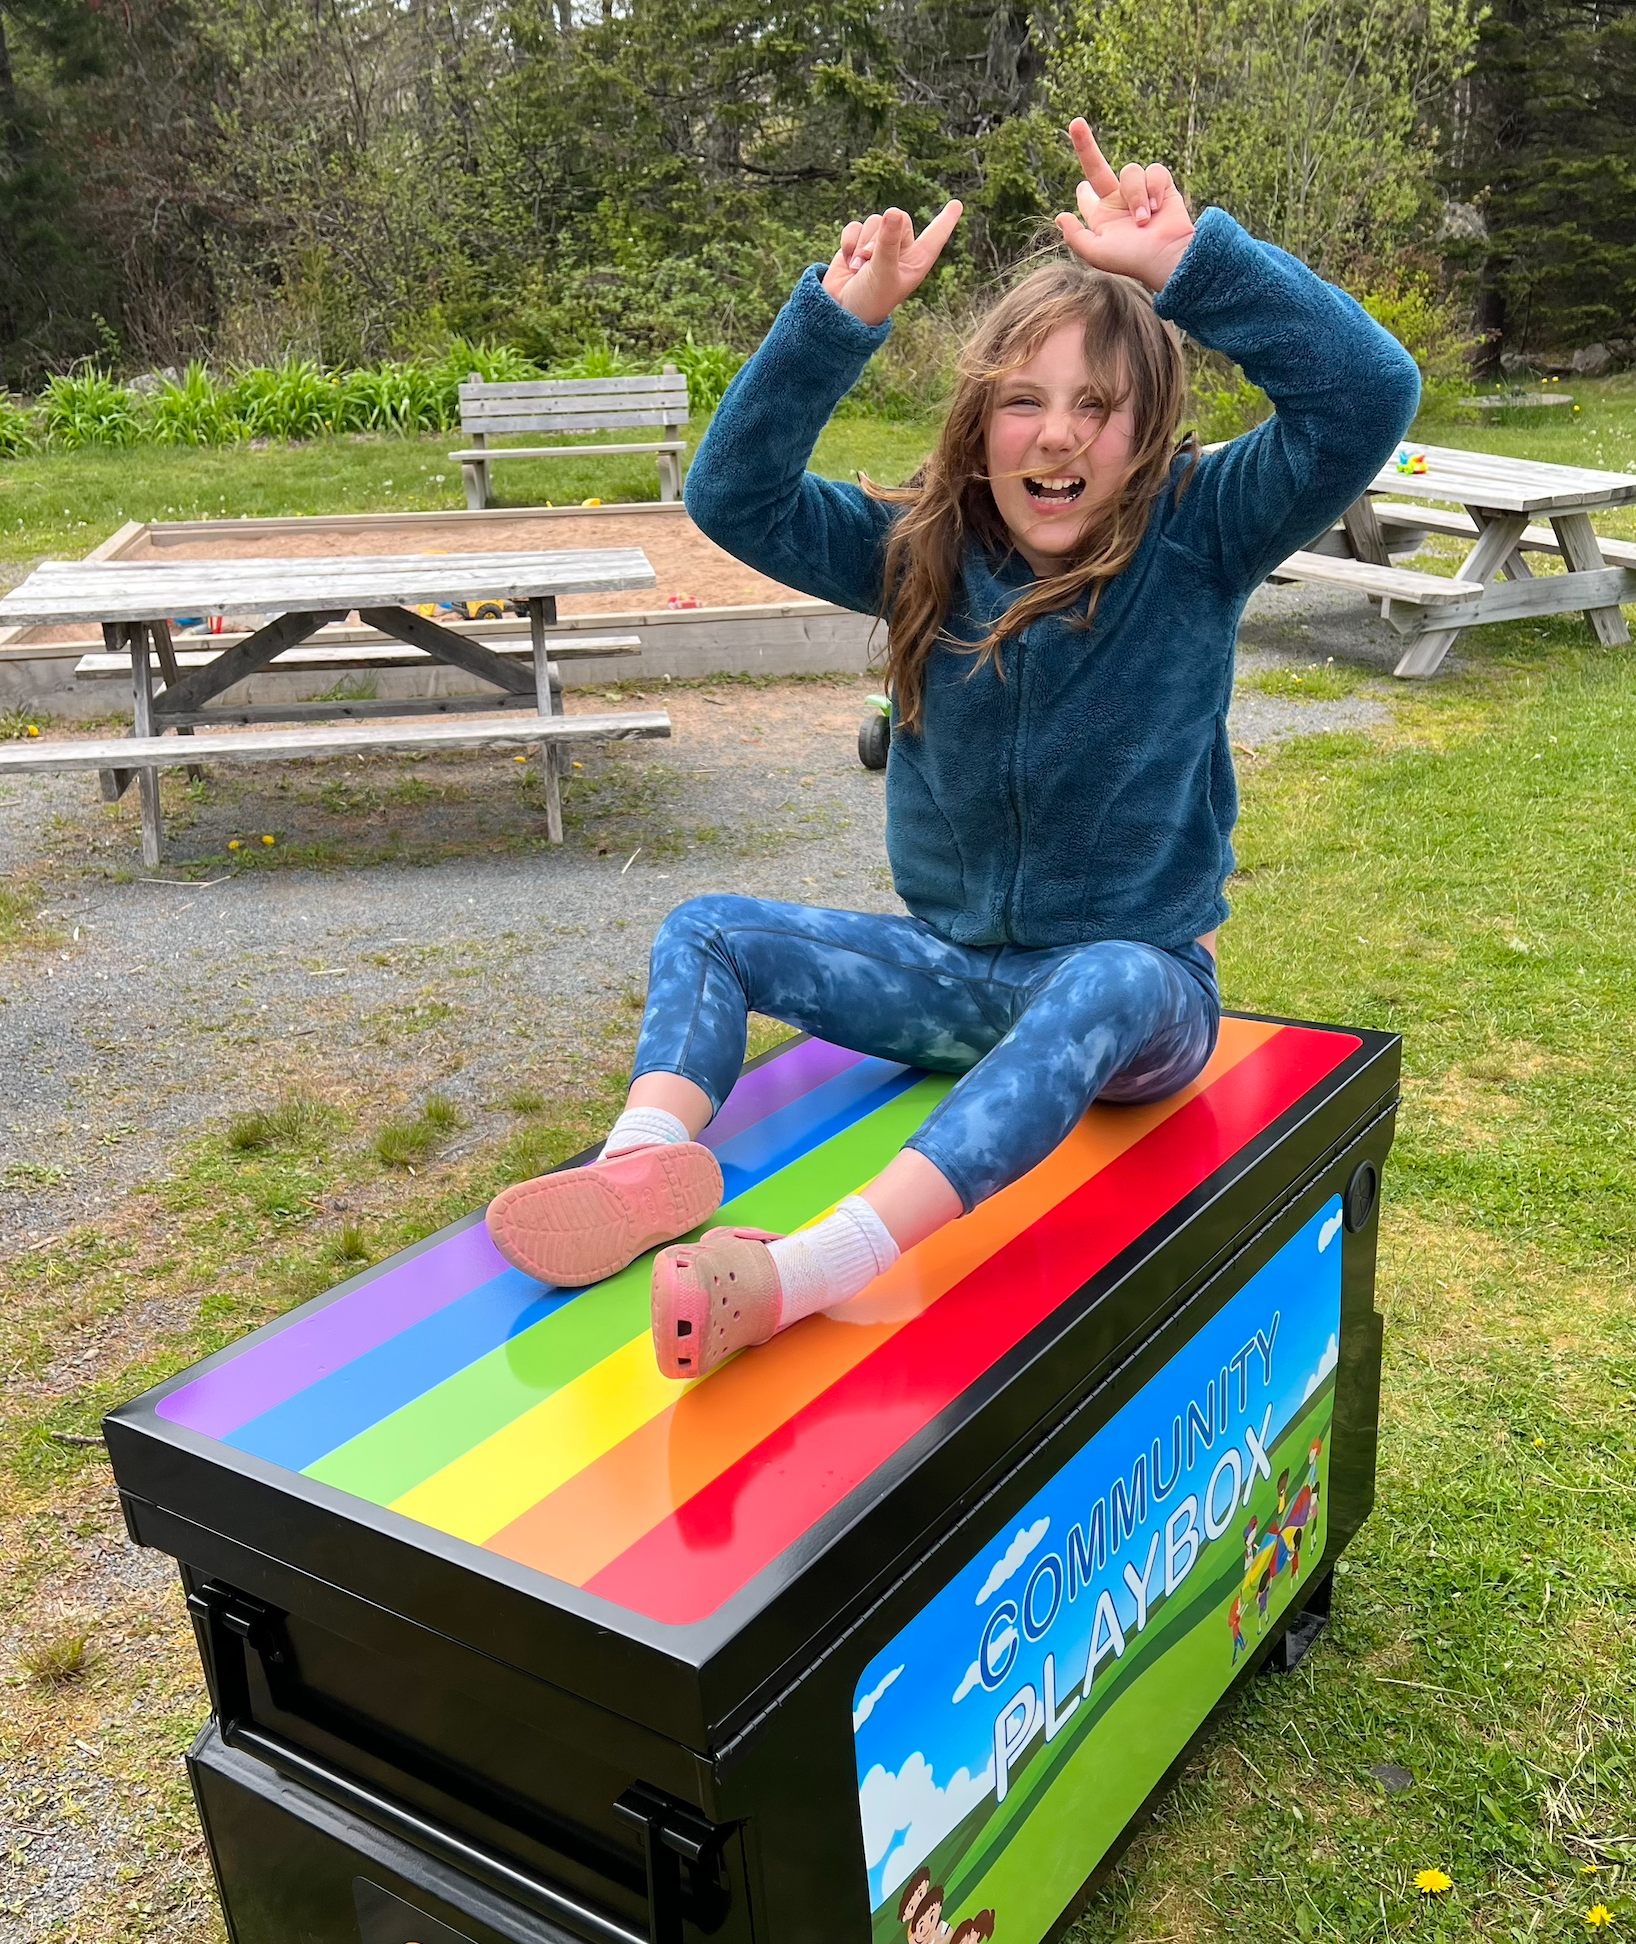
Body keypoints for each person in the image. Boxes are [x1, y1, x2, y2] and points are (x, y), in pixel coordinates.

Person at [485, 121, 1419, 1379]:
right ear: (978, 425)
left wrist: (1193, 265)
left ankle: (809, 1268)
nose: (1055, 437)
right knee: (706, 928)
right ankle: (639, 1167)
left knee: (1106, 979)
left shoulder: (1202, 533)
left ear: (1145, 435)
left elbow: (1370, 393)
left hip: (1136, 999)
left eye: (1096, 407)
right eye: (1023, 401)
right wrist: (834, 319)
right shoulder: (919, 553)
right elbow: (734, 498)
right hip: (956, 978)